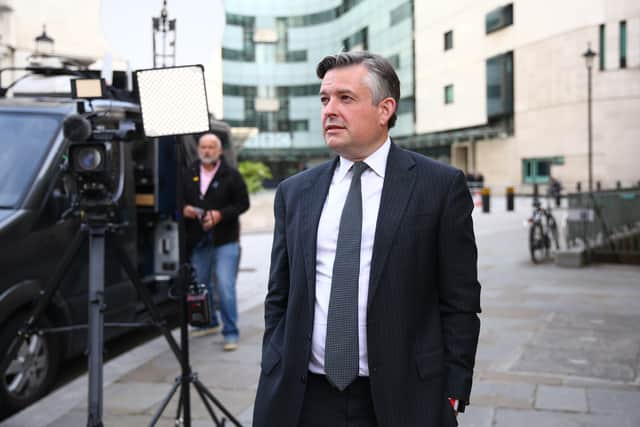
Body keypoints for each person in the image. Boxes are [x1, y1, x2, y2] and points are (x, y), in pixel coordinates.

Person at [253, 51, 481, 426]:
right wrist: (273, 362)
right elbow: (280, 293)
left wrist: (454, 387)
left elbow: (460, 300)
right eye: (325, 99)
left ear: (384, 109)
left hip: (402, 397)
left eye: (345, 98)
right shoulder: (295, 192)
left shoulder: (439, 187)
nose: (329, 110)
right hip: (303, 397)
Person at [182, 133, 249, 351]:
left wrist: (220, 214)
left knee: (225, 285)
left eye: (212, 147)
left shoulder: (231, 175)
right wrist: (184, 209)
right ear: (198, 149)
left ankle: (230, 333)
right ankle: (209, 322)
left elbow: (243, 204)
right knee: (201, 283)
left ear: (219, 151)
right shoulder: (189, 172)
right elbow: (178, 199)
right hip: (199, 239)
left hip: (225, 240)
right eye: (203, 146)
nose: (207, 150)